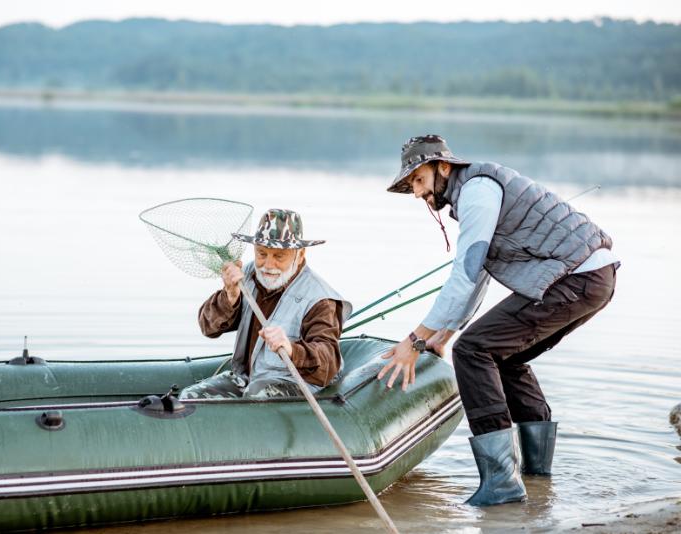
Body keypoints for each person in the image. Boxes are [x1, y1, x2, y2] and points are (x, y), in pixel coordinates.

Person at [377, 134, 618, 506]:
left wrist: (414, 341)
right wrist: (444, 334)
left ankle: (501, 484)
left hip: (577, 278)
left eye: (419, 181)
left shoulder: (477, 191)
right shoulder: (474, 193)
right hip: (593, 278)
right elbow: (480, 275)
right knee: (503, 355)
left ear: (444, 167)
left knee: (473, 351)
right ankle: (537, 476)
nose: (417, 193)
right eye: (411, 186)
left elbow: (465, 272)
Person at [180, 208, 352, 399]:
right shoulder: (246, 276)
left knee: (257, 395)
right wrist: (230, 295)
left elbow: (328, 361)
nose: (268, 265)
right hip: (246, 379)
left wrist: (290, 348)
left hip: (297, 383)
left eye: (279, 256)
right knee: (190, 396)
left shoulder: (320, 298)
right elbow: (208, 328)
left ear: (300, 254)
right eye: (262, 254)